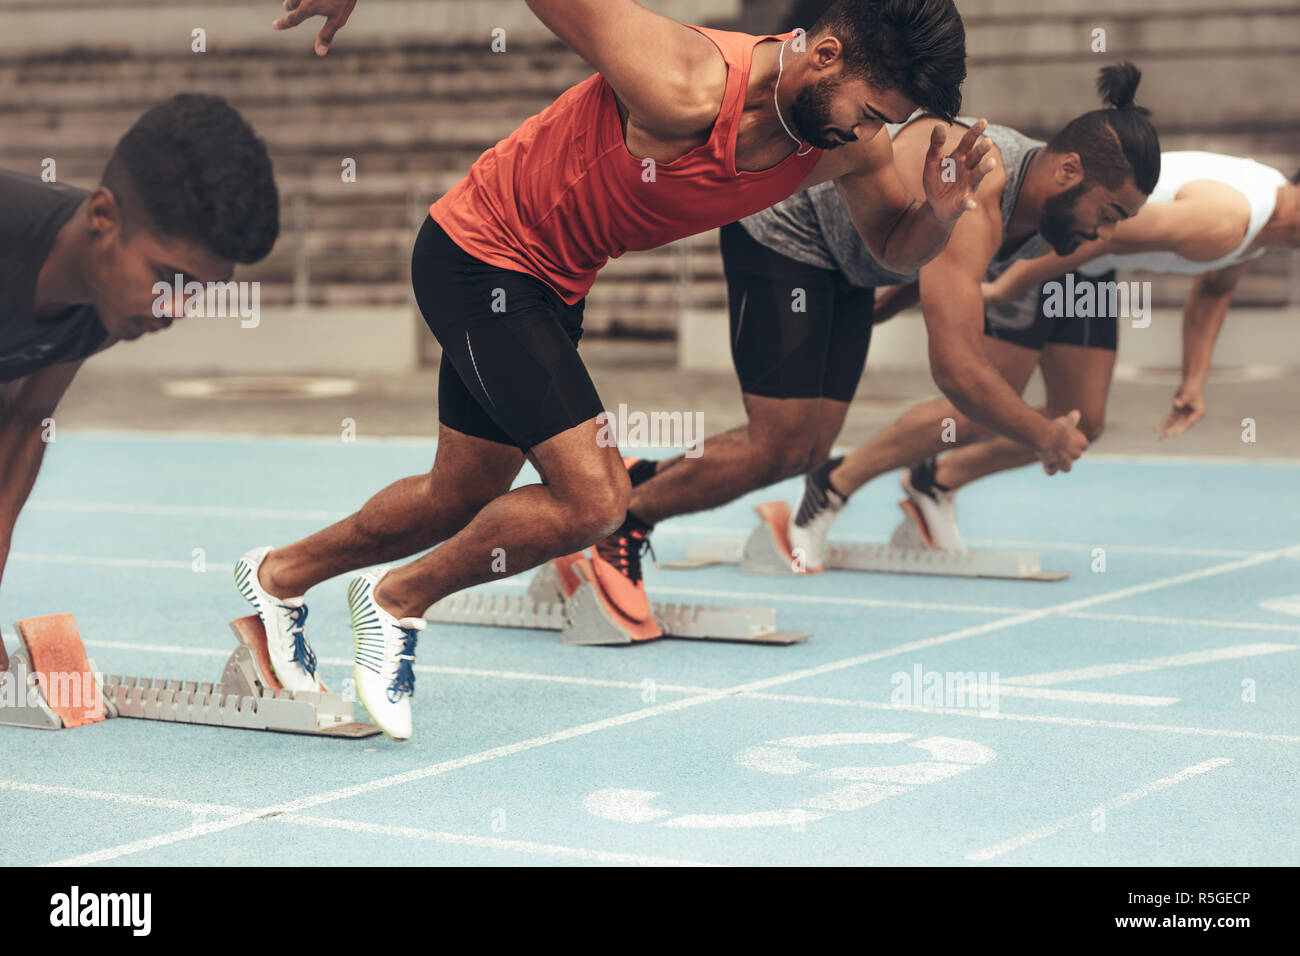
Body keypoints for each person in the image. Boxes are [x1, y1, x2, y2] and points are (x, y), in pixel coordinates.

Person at [243, 0, 992, 739]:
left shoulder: (844, 147)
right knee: (597, 501)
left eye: (881, 124)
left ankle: (276, 577)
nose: (866, 134)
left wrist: (940, 212)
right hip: (480, 256)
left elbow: (893, 247)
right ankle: (399, 599)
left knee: (459, 492)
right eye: (866, 113)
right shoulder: (681, 79)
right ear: (825, 54)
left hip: (553, 285)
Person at [588, 61, 1158, 593]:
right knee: (780, 441)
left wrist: (887, 305)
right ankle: (623, 524)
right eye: (1110, 214)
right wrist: (1043, 434)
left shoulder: (1045, 213)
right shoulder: (981, 183)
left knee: (808, 451)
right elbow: (956, 370)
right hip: (788, 232)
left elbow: (947, 266)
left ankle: (640, 481)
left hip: (853, 267)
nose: (1107, 236)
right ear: (1069, 170)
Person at [816, 150, 1299, 552]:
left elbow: (1214, 290)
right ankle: (832, 485)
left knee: (1080, 419)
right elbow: (1094, 235)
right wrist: (1005, 286)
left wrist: (1192, 382)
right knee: (980, 408)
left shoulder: (1262, 225)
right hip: (1047, 246)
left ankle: (935, 480)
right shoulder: (1225, 219)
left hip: (1090, 268)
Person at [1, 94, 279, 605]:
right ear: (102, 216)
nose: (174, 309)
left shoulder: (105, 304)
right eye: (168, 279)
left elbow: (26, 419)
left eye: (196, 290)